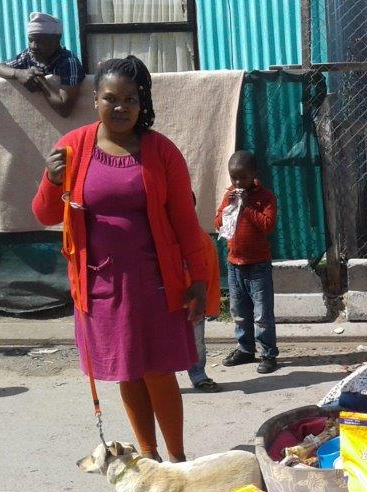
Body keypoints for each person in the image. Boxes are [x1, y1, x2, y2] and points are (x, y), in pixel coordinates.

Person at [32, 56, 208, 463]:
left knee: (159, 370)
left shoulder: (161, 151)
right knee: (127, 371)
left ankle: (178, 461)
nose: (120, 107)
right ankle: (148, 456)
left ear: (142, 102)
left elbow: (184, 220)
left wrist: (197, 278)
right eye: (110, 98)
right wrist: (51, 179)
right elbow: (44, 213)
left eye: (130, 98)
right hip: (100, 284)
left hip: (155, 280)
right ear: (95, 100)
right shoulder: (74, 147)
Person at [215, 150, 280, 375]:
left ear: (254, 175)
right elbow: (218, 224)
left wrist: (247, 207)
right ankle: (245, 348)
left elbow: (268, 225)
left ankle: (268, 353)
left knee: (262, 314)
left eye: (242, 177)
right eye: (234, 177)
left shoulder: (265, 197)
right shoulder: (230, 195)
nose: (238, 182)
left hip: (258, 265)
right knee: (239, 311)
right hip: (235, 264)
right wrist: (228, 208)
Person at [0, 12, 85, 117]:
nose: (33, 46)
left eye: (40, 42)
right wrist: (18, 73)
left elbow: (64, 109)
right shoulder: (29, 55)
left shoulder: (69, 62)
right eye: (30, 40)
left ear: (56, 40)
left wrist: (40, 81)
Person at [187, 226, 222, 392]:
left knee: (196, 342)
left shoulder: (200, 239)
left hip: (192, 299)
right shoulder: (160, 235)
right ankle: (160, 379)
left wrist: (201, 300)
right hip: (165, 297)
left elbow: (209, 272)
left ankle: (198, 375)